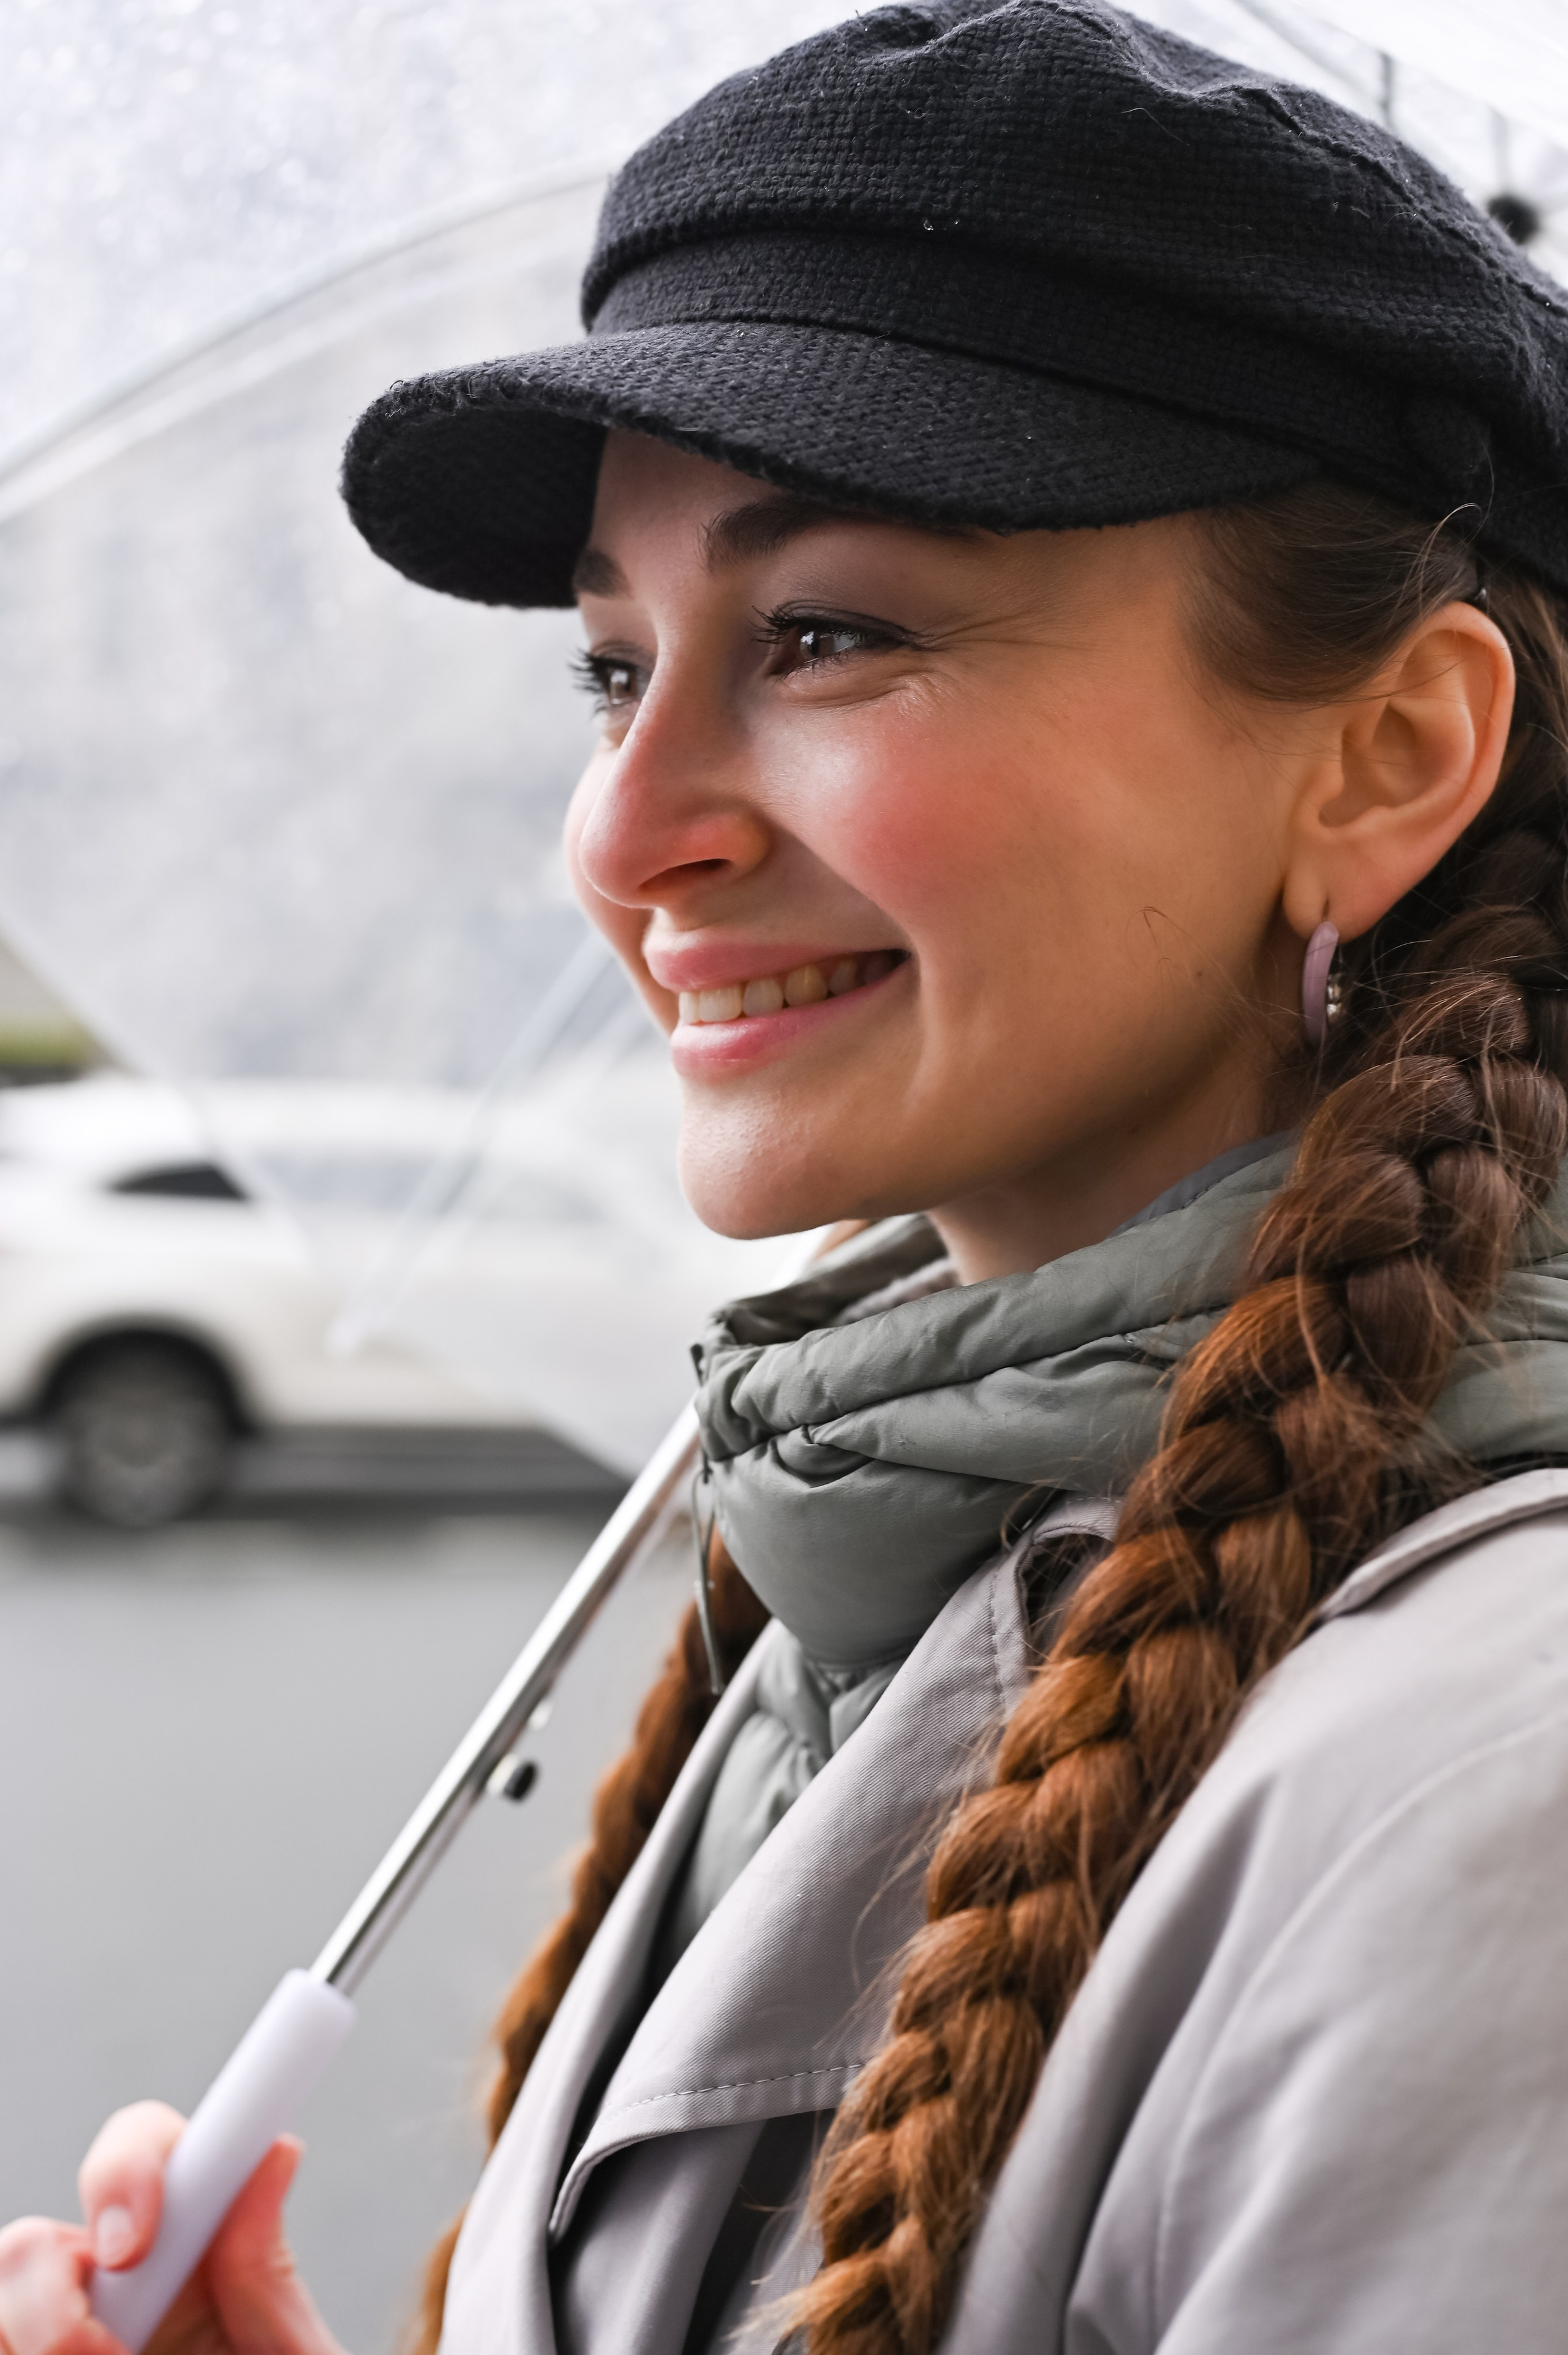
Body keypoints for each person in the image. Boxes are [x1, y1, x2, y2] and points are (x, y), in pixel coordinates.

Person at [10, 2, 1568, 2350]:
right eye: (613, 670)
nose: (628, 838)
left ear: (1391, 747)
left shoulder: (1502, 1809)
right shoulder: (878, 1586)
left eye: (828, 632)